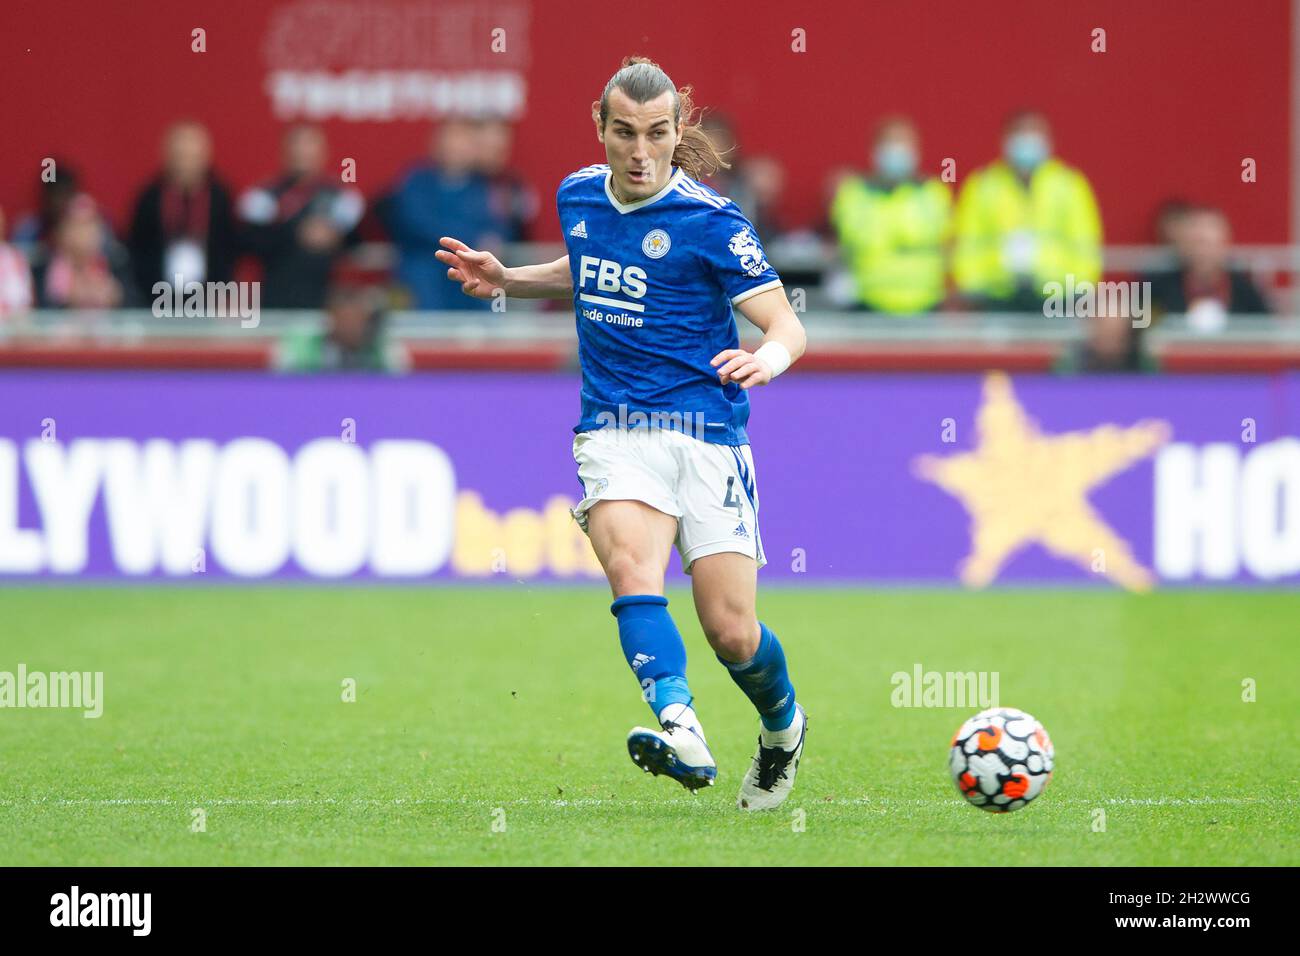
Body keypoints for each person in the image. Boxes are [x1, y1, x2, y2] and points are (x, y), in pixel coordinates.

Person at [435, 56, 809, 811]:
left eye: (658, 134)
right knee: (632, 569)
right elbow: (591, 265)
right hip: (615, 428)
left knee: (732, 633)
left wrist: (767, 358)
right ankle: (683, 728)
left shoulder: (711, 221)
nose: (641, 151)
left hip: (707, 432)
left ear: (678, 134)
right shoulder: (577, 194)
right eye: (626, 132)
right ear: (600, 128)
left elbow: (785, 321)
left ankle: (783, 728)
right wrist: (509, 279)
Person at [953, 111, 1101, 311]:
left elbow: (1085, 243)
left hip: (1057, 294)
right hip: (996, 295)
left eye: (1034, 133)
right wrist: (973, 289)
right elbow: (967, 244)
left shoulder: (1069, 185)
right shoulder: (982, 186)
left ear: (1048, 140)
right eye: (1020, 133)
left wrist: (1080, 289)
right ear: (1005, 140)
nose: (1027, 141)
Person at [830, 116, 951, 314]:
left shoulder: (934, 193)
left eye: (902, 142)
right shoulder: (852, 194)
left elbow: (944, 245)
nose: (896, 150)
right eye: (889, 142)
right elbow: (850, 243)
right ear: (874, 150)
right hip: (867, 302)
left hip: (926, 304)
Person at [238, 125, 365, 308]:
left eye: (309, 146)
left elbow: (355, 244)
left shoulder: (342, 198)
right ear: (285, 152)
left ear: (323, 152)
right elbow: (251, 243)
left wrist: (334, 236)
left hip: (324, 299)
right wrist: (296, 232)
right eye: (297, 146)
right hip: (276, 297)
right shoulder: (263, 196)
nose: (303, 153)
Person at [127, 121, 241, 298]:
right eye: (180, 156)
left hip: (209, 296)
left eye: (192, 157)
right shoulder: (150, 197)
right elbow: (137, 247)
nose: (185, 164)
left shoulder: (219, 197)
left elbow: (229, 247)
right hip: (156, 296)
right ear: (167, 156)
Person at [1146, 205, 1270, 330]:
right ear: (1182, 246)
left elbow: (1267, 332)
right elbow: (1138, 333)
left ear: (1224, 246)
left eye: (1208, 243)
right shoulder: (1157, 290)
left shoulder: (1245, 292)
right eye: (1195, 242)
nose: (1202, 252)